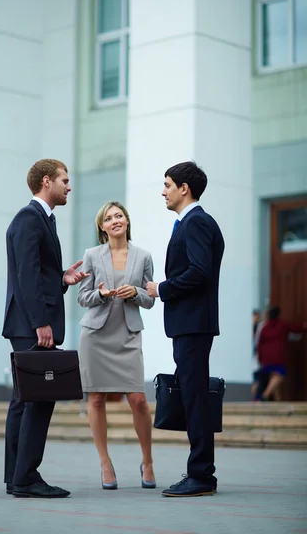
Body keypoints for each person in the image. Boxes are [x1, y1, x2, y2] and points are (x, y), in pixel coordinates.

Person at [2, 159, 88, 499]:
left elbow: (37, 272)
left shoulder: (42, 220)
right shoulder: (29, 218)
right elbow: (25, 275)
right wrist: (41, 322)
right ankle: (26, 478)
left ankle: (17, 476)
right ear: (47, 181)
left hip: (30, 322)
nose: (69, 186)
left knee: (24, 401)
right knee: (38, 400)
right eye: (65, 180)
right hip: (32, 324)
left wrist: (62, 279)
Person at [147, 161, 225, 498]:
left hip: (193, 323)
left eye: (167, 184)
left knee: (195, 399)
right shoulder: (191, 222)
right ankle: (200, 472)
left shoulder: (196, 222)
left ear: (184, 189)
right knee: (193, 397)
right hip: (190, 323)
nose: (163, 191)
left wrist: (161, 289)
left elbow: (199, 272)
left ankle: (201, 475)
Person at [77, 201, 156, 490]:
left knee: (138, 400)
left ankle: (147, 461)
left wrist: (135, 292)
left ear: (126, 220)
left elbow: (149, 299)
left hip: (128, 333)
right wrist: (100, 294)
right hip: (96, 334)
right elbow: (82, 297)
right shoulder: (92, 255)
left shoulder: (144, 256)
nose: (115, 221)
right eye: (108, 218)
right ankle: (105, 463)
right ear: (102, 226)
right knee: (96, 400)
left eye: (118, 215)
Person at [256, 306, 307, 401]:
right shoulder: (282, 325)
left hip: (266, 357)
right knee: (280, 375)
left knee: (273, 377)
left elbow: (259, 343)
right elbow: (296, 328)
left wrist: (260, 357)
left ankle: (277, 401)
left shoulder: (264, 327)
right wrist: (304, 326)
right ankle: (265, 395)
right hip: (277, 356)